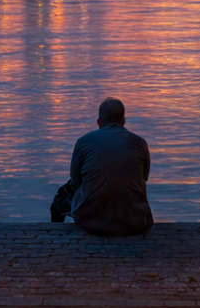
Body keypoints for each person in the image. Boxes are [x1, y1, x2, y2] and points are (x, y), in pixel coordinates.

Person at [51, 97, 153, 236]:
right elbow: (143, 178)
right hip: (134, 222)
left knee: (62, 196)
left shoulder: (83, 142)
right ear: (123, 120)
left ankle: (54, 237)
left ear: (99, 122)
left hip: (92, 223)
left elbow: (76, 181)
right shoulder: (140, 143)